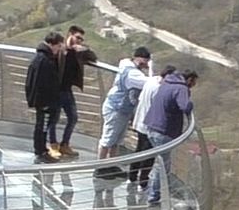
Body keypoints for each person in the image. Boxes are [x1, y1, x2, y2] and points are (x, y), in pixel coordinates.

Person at [142, 67, 196, 207]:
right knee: (162, 166)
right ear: (189, 79)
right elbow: (185, 106)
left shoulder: (167, 83)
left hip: (151, 127)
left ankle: (151, 192)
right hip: (163, 131)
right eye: (193, 82)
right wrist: (190, 103)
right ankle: (153, 197)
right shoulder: (181, 88)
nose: (193, 85)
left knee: (159, 163)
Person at [96, 46, 152, 177]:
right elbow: (148, 83)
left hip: (121, 108)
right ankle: (99, 168)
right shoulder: (132, 74)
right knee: (108, 139)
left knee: (116, 140)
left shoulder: (126, 65)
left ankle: (111, 165)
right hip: (116, 108)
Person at [51, 25, 98, 159]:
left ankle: (64, 144)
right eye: (77, 38)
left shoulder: (79, 52)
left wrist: (84, 49)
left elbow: (94, 58)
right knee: (53, 119)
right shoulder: (61, 49)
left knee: (73, 118)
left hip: (67, 90)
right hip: (56, 90)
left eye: (81, 39)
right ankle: (53, 146)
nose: (79, 41)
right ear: (70, 34)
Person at [129, 63, 175, 192]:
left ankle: (132, 176)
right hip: (150, 125)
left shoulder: (151, 81)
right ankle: (143, 183)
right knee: (149, 155)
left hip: (140, 120)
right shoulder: (159, 89)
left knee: (139, 150)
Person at [24, 33, 65, 164]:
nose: (59, 49)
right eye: (58, 46)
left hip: (42, 101)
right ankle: (41, 152)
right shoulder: (45, 61)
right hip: (44, 102)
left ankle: (41, 150)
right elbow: (42, 84)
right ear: (52, 44)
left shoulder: (41, 58)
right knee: (42, 127)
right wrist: (45, 103)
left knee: (41, 126)